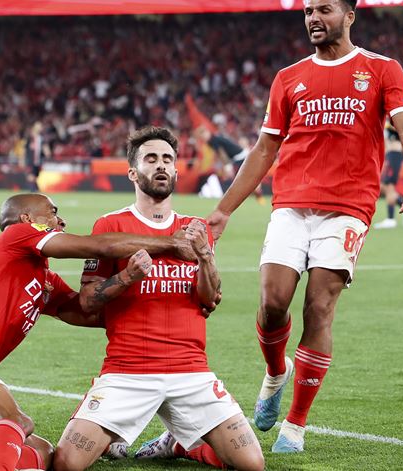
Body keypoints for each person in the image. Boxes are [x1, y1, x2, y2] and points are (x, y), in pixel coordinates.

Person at [206, 0, 403, 453]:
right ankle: (276, 372)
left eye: (324, 9)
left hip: (348, 208)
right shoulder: (288, 78)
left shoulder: (381, 69)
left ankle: (296, 422)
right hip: (291, 204)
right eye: (308, 10)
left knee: (319, 308)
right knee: (273, 303)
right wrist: (224, 209)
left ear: (350, 16)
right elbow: (263, 151)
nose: (313, 18)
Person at [0, 192, 196, 471]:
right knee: (16, 421)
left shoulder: (40, 277)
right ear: (27, 219)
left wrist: (136, 286)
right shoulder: (15, 236)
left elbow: (85, 311)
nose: (61, 221)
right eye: (52, 213)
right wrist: (169, 243)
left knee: (41, 452)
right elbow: (99, 246)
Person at [53, 126, 265, 471]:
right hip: (127, 372)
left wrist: (206, 257)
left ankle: (181, 445)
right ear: (133, 173)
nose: (161, 165)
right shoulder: (110, 226)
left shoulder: (196, 227)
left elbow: (209, 300)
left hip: (191, 372)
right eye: (151, 159)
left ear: (177, 170)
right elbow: (88, 301)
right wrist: (127, 277)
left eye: (167, 159)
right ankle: (115, 436)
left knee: (252, 464)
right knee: (66, 464)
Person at [373, 126, 403, 229]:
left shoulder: (393, 121)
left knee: (390, 187)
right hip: (390, 155)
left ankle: (391, 219)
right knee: (383, 186)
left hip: (394, 154)